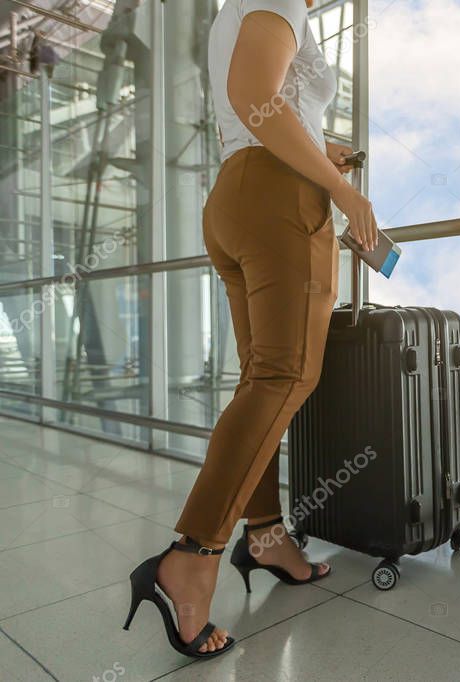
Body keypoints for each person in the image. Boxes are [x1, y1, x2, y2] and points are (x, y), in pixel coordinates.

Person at [122, 0, 378, 658]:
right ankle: (191, 556)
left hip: (236, 194)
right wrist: (341, 191)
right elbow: (251, 96)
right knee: (287, 374)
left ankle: (264, 536)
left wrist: (323, 148)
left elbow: (258, 112)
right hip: (277, 196)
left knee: (262, 377)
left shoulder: (238, 10)